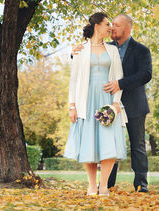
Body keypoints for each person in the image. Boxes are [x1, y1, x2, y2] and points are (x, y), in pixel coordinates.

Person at [73, 14, 152, 192]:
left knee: (137, 145)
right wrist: (74, 52)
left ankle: (141, 184)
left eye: (116, 25)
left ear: (127, 28)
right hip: (107, 103)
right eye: (110, 25)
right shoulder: (106, 48)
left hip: (133, 105)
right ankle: (107, 184)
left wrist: (120, 84)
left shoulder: (141, 50)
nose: (112, 28)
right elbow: (87, 62)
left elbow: (146, 74)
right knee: (109, 142)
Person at [65, 12, 127, 196]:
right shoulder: (80, 50)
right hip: (86, 101)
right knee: (89, 142)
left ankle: (103, 185)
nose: (110, 27)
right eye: (107, 24)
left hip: (107, 101)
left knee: (109, 142)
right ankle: (92, 185)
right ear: (97, 25)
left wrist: (116, 104)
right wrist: (72, 105)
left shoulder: (113, 50)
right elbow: (74, 80)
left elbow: (118, 78)